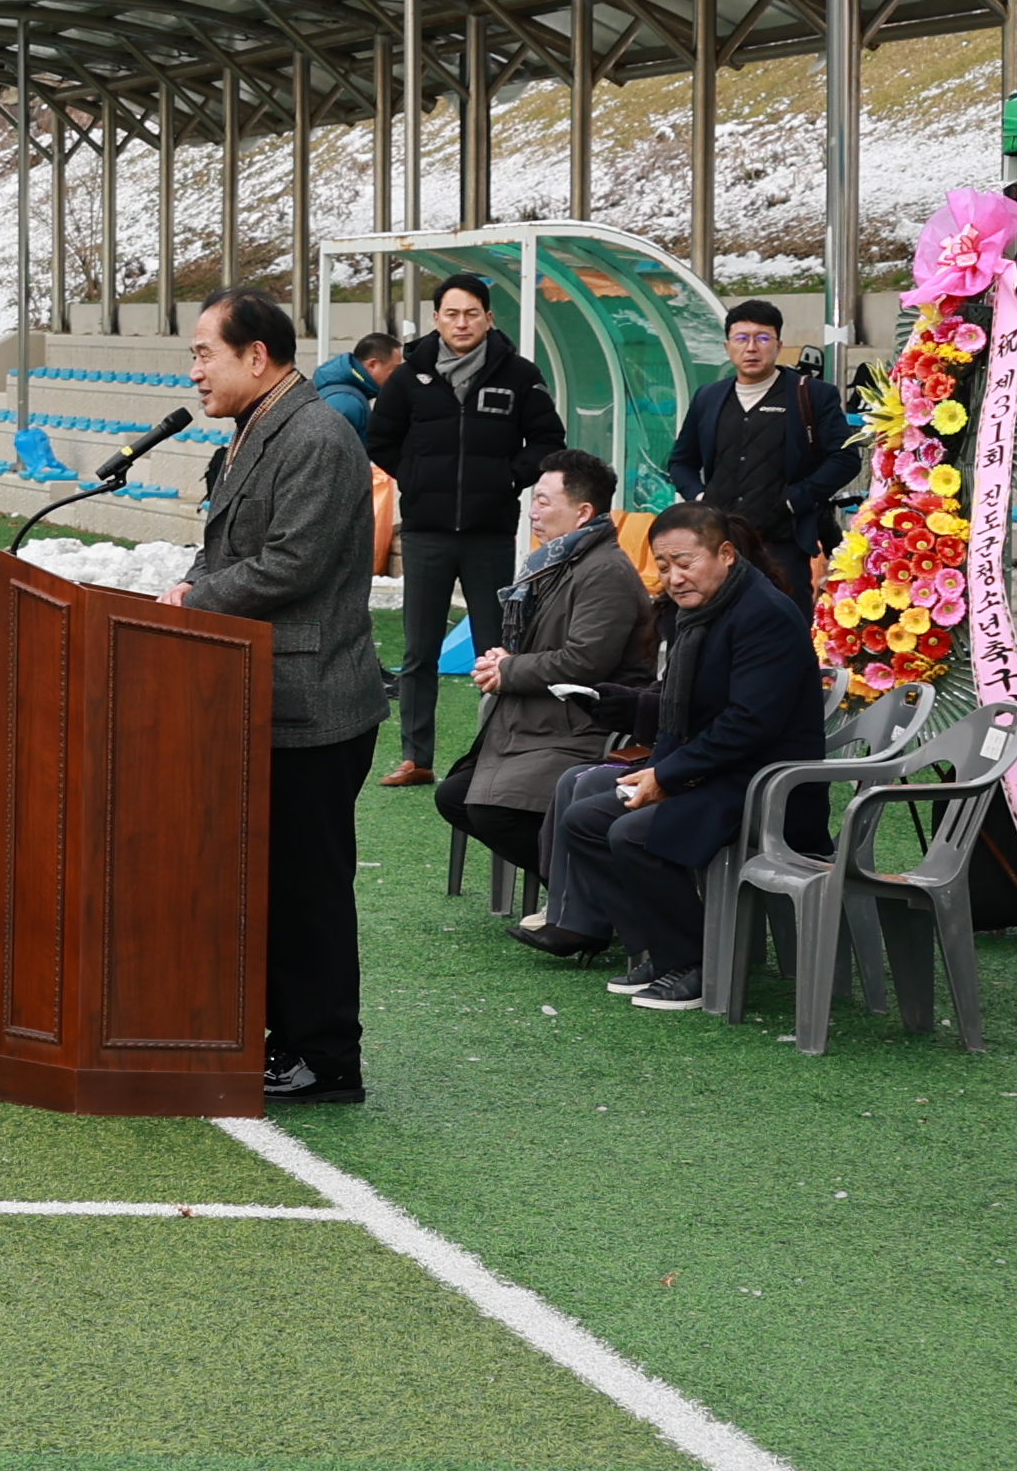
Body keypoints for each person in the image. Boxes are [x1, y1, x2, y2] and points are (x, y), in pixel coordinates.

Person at [165, 295, 388, 1109]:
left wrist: (199, 598)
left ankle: (326, 1058)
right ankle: (282, 1041)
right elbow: (239, 544)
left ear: (256, 356)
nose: (194, 373)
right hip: (262, 691)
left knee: (309, 887)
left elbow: (293, 561)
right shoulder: (260, 427)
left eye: (204, 355)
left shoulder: (318, 434)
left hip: (314, 698)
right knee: (275, 883)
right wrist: (200, 579)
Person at [539, 504, 826, 1015]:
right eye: (664, 565)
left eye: (685, 562)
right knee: (585, 818)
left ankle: (697, 964)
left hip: (764, 787)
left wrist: (668, 776)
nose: (673, 577)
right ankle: (655, 950)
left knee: (633, 834)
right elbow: (680, 715)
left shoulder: (765, 615)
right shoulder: (698, 613)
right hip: (714, 775)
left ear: (725, 555)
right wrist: (656, 773)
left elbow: (749, 724)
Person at [362, 275, 561, 789]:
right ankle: (415, 756)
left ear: (489, 318)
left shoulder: (519, 375)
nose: (462, 323)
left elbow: (547, 440)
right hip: (427, 532)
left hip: (489, 532)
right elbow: (380, 439)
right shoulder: (409, 377)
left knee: (494, 650)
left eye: (472, 313)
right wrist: (419, 475)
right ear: (436, 319)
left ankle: (493, 754)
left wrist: (506, 477)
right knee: (418, 649)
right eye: (452, 314)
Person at [445, 454, 658, 928]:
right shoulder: (558, 562)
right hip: (536, 720)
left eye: (543, 501)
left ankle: (592, 902)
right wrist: (505, 661)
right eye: (532, 501)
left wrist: (509, 670)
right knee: (456, 797)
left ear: (583, 513)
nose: (532, 512)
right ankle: (577, 894)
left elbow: (585, 662)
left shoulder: (603, 571)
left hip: (584, 725)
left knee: (488, 809)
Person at [666, 303, 858, 576]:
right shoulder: (708, 397)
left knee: (784, 616)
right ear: (727, 347)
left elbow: (845, 458)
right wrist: (702, 497)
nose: (752, 348)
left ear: (778, 346)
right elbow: (681, 461)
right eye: (741, 338)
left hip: (783, 545)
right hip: (719, 544)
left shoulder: (812, 395)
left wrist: (797, 498)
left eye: (763, 338)